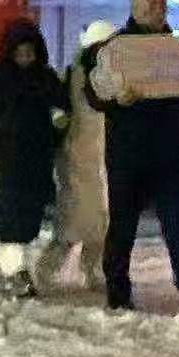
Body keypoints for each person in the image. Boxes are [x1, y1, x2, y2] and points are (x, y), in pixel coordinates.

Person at [83, 0, 179, 313]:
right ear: (134, 9)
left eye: (161, 5)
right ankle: (118, 293)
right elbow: (93, 93)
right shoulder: (115, 50)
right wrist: (116, 98)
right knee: (122, 226)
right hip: (128, 153)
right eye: (150, 6)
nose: (157, 11)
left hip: (169, 151)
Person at [0, 20, 71, 299]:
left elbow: (62, 108)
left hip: (37, 159)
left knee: (30, 218)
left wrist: (57, 128)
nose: (25, 57)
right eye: (20, 52)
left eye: (30, 52)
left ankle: (14, 267)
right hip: (6, 158)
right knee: (10, 216)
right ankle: (15, 270)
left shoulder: (46, 78)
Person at [38, 20, 117, 292]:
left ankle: (92, 272)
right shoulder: (72, 76)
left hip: (106, 159)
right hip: (76, 157)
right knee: (71, 222)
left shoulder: (116, 78)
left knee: (103, 224)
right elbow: (57, 109)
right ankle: (45, 271)